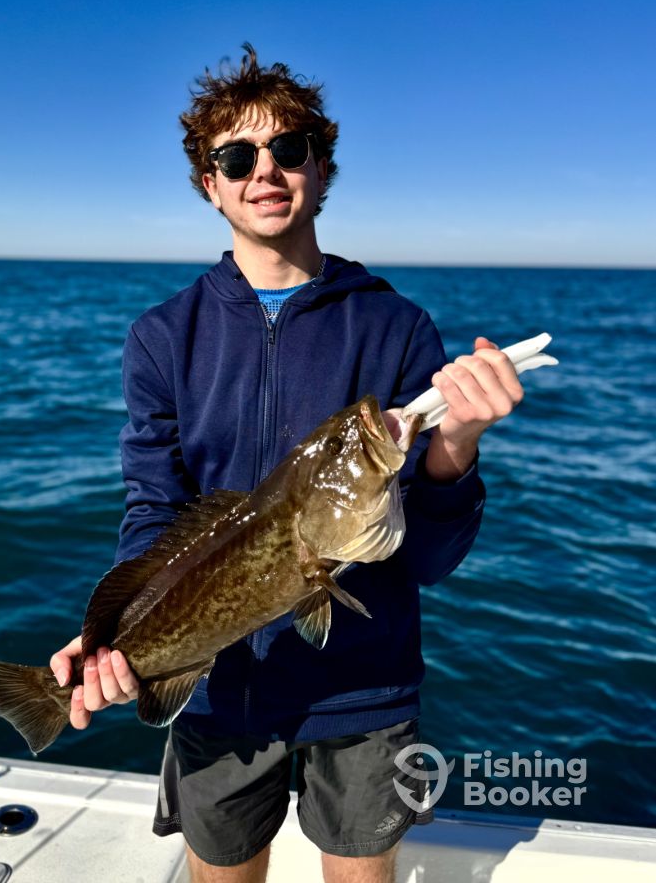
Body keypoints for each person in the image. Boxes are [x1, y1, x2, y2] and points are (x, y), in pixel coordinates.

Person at [50, 46, 524, 882]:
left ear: (321, 166)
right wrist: (113, 636)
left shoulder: (397, 328)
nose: (263, 171)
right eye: (236, 157)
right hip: (217, 689)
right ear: (210, 183)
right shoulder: (161, 338)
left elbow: (425, 559)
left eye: (288, 148)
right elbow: (155, 509)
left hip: (365, 686)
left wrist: (455, 447)